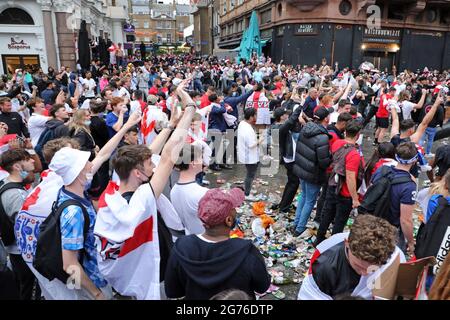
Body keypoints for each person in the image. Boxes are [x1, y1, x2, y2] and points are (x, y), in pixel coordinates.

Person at [94, 80, 197, 300]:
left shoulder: (112, 190)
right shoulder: (141, 202)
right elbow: (169, 155)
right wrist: (189, 109)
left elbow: (151, 151)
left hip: (122, 280)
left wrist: (170, 125)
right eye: (150, 165)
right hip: (149, 277)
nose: (154, 165)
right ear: (138, 173)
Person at [164, 188, 271, 300]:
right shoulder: (248, 252)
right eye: (234, 209)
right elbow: (262, 287)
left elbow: (173, 291)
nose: (236, 211)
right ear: (228, 220)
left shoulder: (182, 248)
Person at [298, 215, 404, 300]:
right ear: (347, 243)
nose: (365, 273)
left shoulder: (394, 257)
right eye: (359, 266)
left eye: (373, 268)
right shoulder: (324, 266)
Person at [315, 120, 364, 245]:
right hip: (345, 192)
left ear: (345, 131)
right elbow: (350, 178)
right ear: (358, 135)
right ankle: (333, 245)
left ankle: (319, 239)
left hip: (332, 185)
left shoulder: (337, 143)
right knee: (340, 221)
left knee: (327, 213)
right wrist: (355, 198)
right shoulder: (354, 154)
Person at [0, 149, 36, 300]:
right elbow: (25, 227)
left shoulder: (5, 182)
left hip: (15, 249)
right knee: (25, 286)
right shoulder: (16, 195)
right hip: (21, 250)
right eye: (28, 159)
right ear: (17, 167)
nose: (33, 160)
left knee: (22, 283)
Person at [370, 142, 418, 253]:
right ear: (414, 161)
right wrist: (410, 242)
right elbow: (405, 220)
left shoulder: (382, 170)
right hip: (391, 229)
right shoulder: (409, 186)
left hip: (373, 221)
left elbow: (371, 192)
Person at [292, 107, 332, 237]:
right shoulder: (322, 137)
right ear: (326, 118)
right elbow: (324, 161)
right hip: (313, 173)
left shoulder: (306, 129)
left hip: (302, 170)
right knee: (309, 200)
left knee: (303, 196)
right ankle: (300, 228)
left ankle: (296, 223)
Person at [170, 144, 207, 235]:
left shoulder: (173, 190)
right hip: (205, 239)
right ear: (193, 163)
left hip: (189, 237)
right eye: (201, 158)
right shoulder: (202, 193)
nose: (203, 162)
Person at [237, 108, 263, 200]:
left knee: (250, 174)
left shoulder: (242, 123)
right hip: (250, 156)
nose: (256, 117)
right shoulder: (247, 129)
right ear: (251, 117)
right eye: (255, 115)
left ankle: (247, 190)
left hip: (246, 154)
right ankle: (247, 194)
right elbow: (251, 145)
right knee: (250, 175)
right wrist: (260, 139)